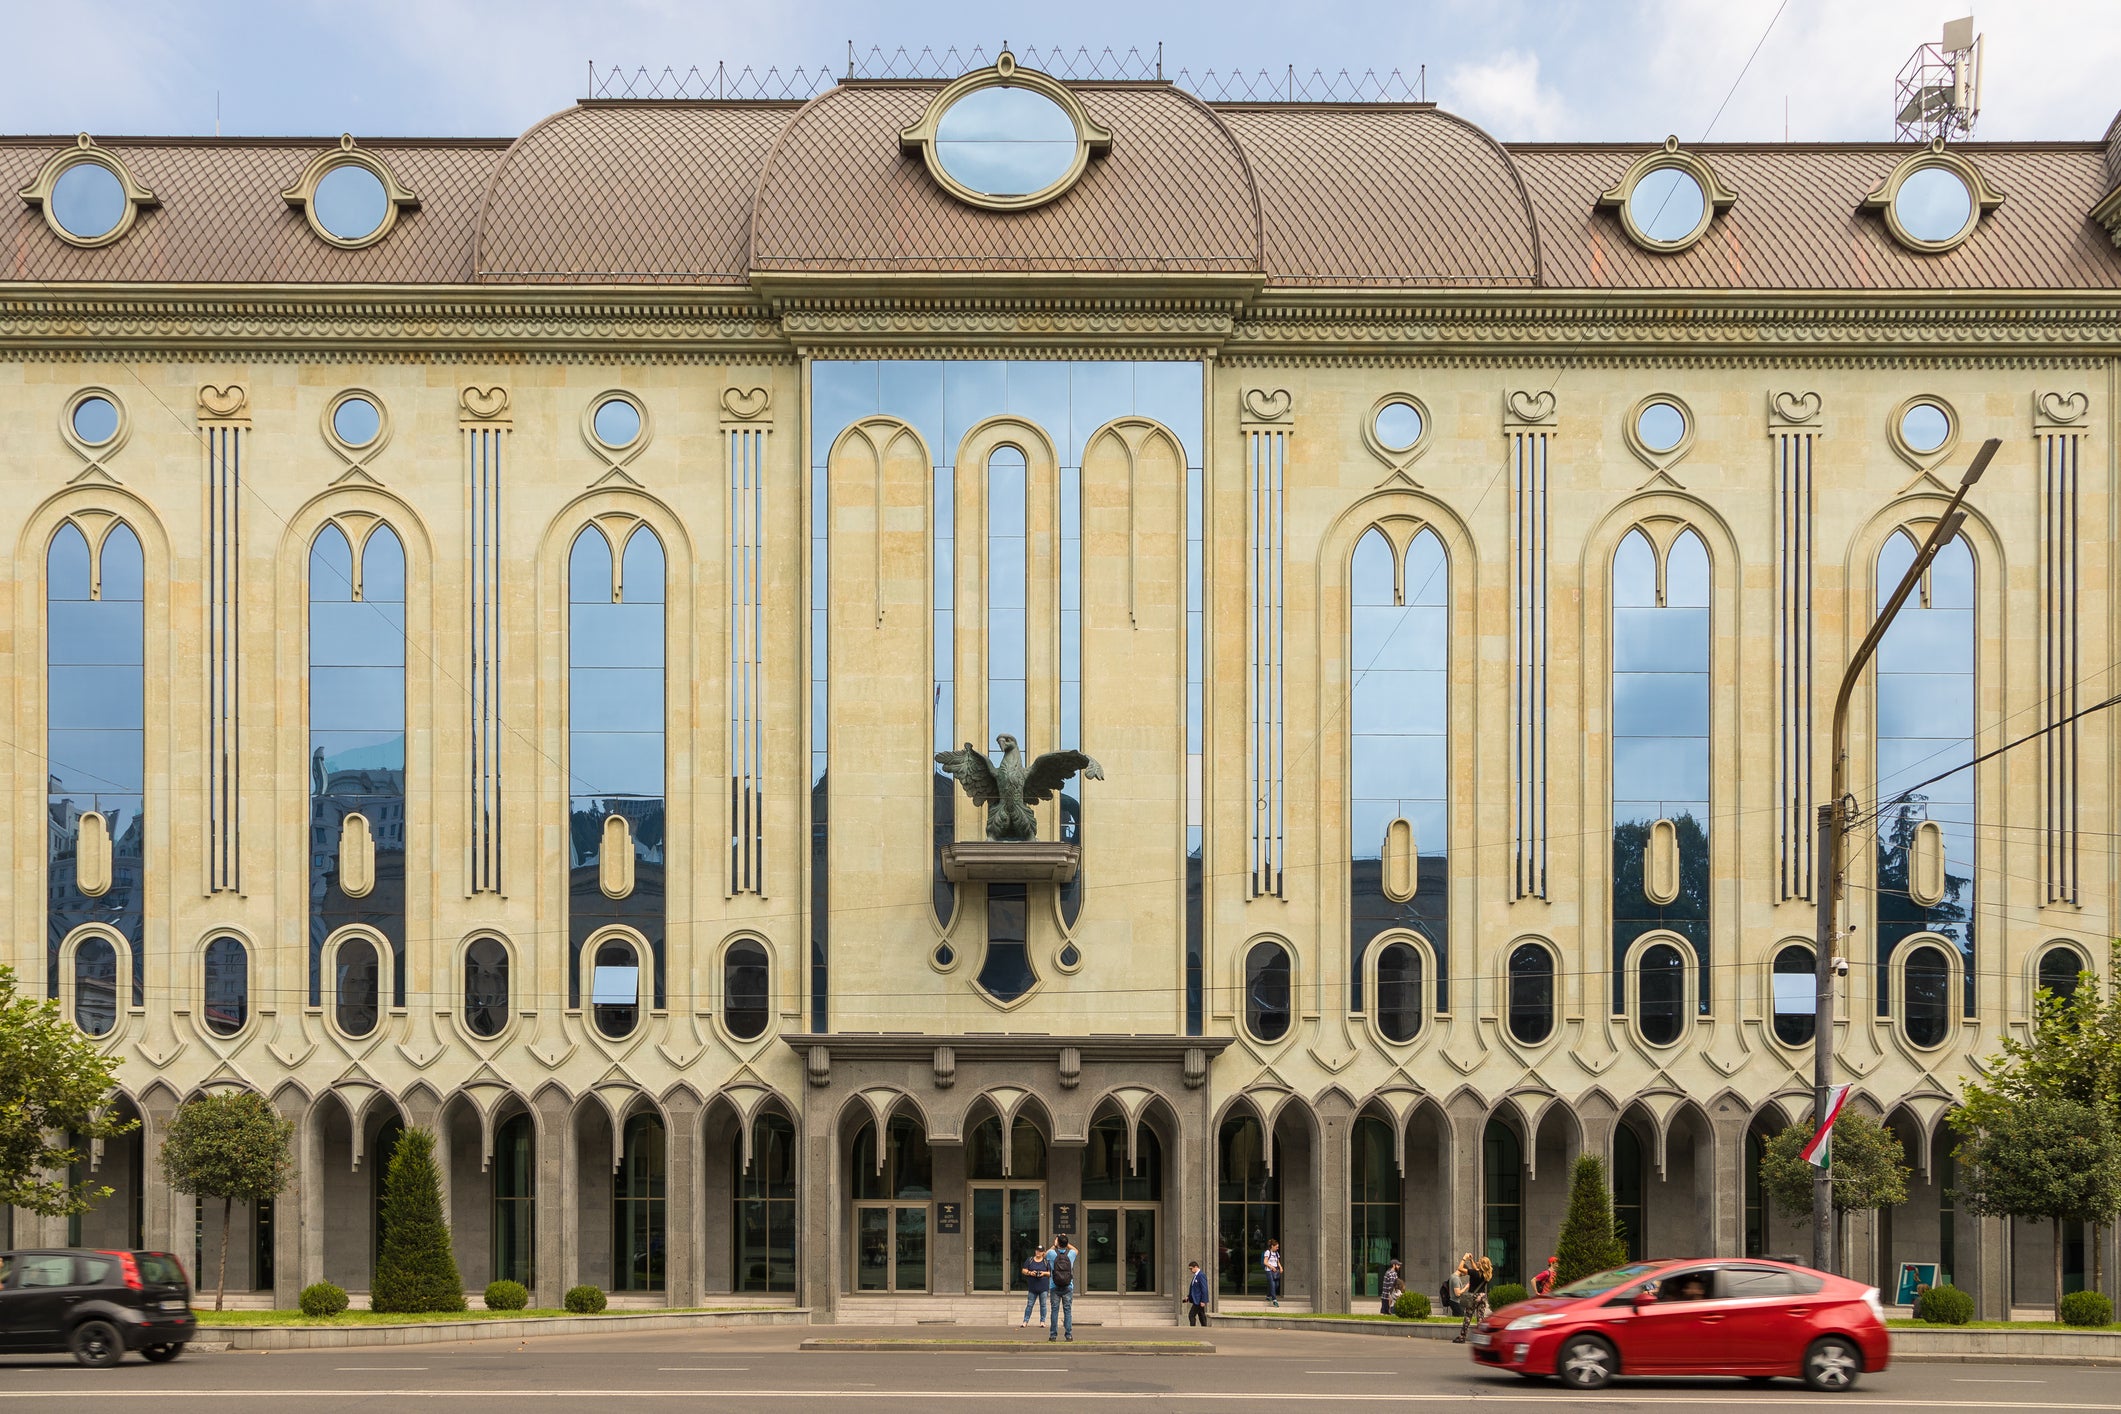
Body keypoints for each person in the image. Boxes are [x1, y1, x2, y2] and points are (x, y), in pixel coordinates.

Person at [1048, 1233, 1080, 1342]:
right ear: (1066, 1243)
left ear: (1058, 1243)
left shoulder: (1052, 1253)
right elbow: (1076, 1250)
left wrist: (1055, 1245)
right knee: (1067, 1311)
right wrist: (1066, 1243)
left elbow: (1045, 1254)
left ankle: (1053, 1336)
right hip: (1068, 1286)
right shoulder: (1071, 1254)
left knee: (1054, 1311)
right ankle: (1068, 1335)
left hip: (1054, 1286)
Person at [1454, 1256, 1492, 1343]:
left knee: (1468, 1316)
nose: (1477, 1262)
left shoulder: (1474, 1273)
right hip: (1482, 1296)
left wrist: (1464, 1258)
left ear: (1481, 1264)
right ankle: (1481, 1338)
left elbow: (1460, 1268)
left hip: (1473, 1296)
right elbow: (1476, 1269)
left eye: (1479, 1261)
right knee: (1480, 1317)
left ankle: (1462, 1337)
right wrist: (1471, 1260)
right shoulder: (1487, 1274)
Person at [1019, 1244, 1053, 1328]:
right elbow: (1023, 1270)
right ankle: (1025, 1321)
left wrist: (1043, 1273)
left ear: (1043, 1253)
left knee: (1043, 1305)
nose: (1038, 1252)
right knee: (1029, 1304)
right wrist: (1030, 1273)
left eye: (1040, 1251)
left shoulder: (1046, 1261)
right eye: (1037, 1250)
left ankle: (1042, 1321)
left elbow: (1049, 1273)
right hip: (1032, 1287)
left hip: (1043, 1287)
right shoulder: (1030, 1260)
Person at [1185, 1260, 1210, 1326]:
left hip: (1198, 1300)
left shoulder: (1201, 1275)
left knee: (1191, 1315)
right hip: (1197, 1299)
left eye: (1191, 1268)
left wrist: (1203, 1301)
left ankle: (1193, 1328)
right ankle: (1204, 1327)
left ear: (1196, 1267)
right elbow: (1194, 1288)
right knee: (1201, 1314)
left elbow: (1204, 1289)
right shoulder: (1196, 1276)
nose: (1190, 1270)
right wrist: (1188, 1296)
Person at [1263, 1238, 1284, 1307]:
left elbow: (1278, 1262)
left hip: (1275, 1271)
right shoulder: (1268, 1252)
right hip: (1269, 1271)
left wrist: (1280, 1267)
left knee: (1276, 1285)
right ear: (1272, 1246)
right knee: (1272, 1284)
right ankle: (1274, 1300)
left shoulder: (1276, 1253)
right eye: (1276, 1247)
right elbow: (1265, 1262)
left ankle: (1268, 1296)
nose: (1277, 1248)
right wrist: (1271, 1267)